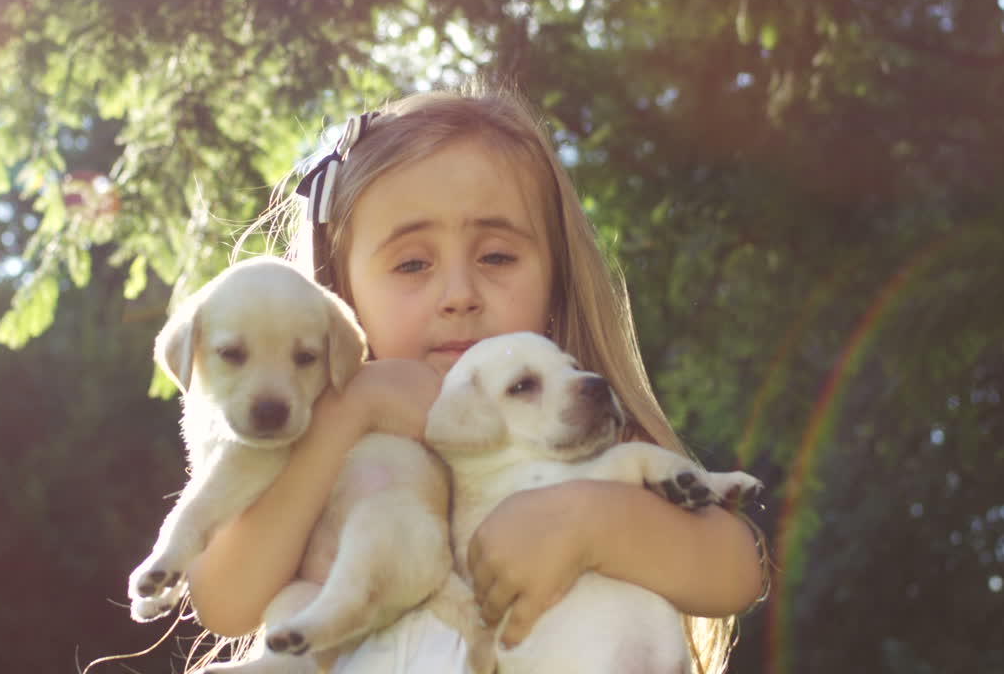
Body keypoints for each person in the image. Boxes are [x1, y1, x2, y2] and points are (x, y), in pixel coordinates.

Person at [183, 84, 769, 673]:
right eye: (413, 263)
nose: (459, 295)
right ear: (338, 293)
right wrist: (354, 406)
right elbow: (226, 602)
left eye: (496, 257)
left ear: (555, 285)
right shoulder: (321, 443)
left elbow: (735, 569)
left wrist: (589, 521)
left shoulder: (562, 432)